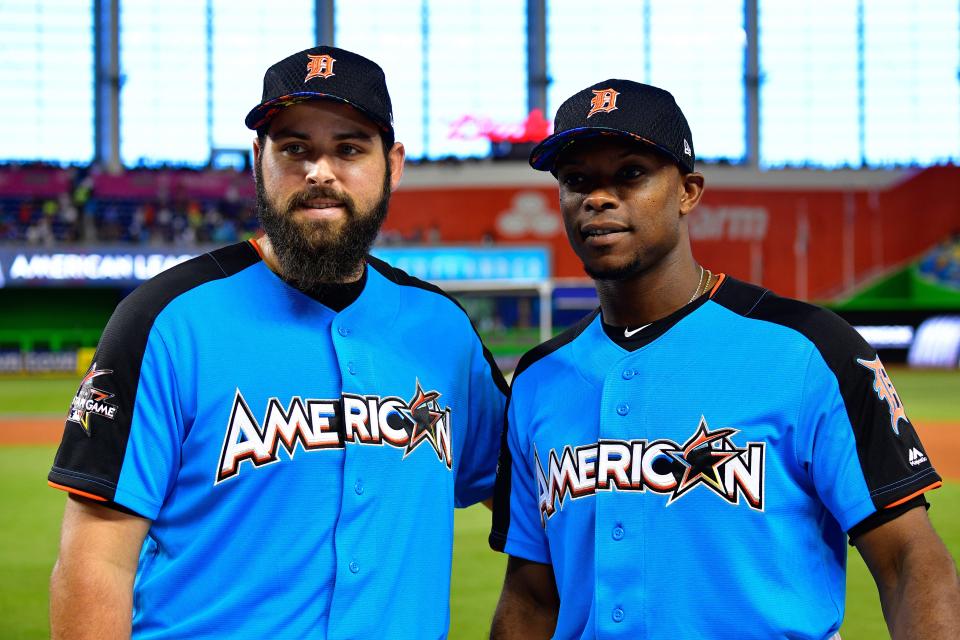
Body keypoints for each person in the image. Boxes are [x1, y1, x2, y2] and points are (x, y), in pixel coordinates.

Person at [48, 46, 507, 639]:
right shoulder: (165, 320)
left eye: (349, 148)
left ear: (393, 164)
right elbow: (95, 560)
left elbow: (540, 505)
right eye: (295, 148)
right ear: (258, 159)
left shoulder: (443, 330)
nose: (321, 171)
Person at [489, 79, 960, 639]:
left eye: (631, 174)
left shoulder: (810, 349)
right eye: (577, 181)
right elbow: (531, 595)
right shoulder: (540, 380)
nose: (598, 197)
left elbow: (909, 561)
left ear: (688, 191)